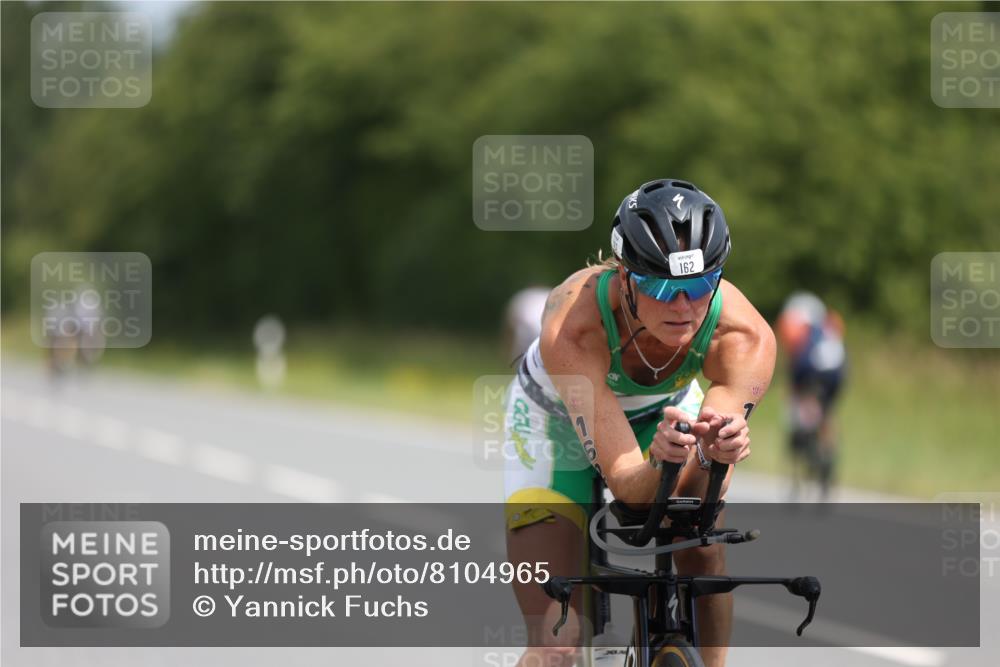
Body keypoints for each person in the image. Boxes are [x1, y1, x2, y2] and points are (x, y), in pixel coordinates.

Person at [503, 179, 776, 667]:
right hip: (555, 425)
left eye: (697, 287)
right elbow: (629, 484)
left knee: (701, 538)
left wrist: (712, 453)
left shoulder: (744, 336)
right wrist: (659, 463)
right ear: (627, 277)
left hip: (663, 414)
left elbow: (705, 478)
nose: (682, 306)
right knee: (556, 645)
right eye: (661, 286)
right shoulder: (574, 324)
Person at [776, 291, 846, 500]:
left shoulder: (803, 330)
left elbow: (799, 364)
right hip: (837, 377)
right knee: (827, 414)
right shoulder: (829, 328)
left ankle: (801, 462)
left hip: (809, 374)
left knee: (800, 413)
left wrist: (792, 387)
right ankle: (828, 455)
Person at [504, 286, 552, 363]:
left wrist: (506, 350)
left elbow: (511, 324)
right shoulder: (552, 293)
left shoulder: (521, 296)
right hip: (547, 332)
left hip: (526, 331)